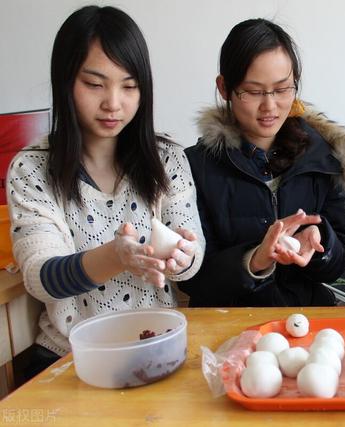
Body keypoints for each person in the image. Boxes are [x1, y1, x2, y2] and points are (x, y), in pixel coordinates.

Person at [6, 5, 204, 376]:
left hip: (156, 347)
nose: (113, 102)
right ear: (65, 81)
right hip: (69, 358)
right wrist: (116, 256)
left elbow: (192, 254)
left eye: (129, 86)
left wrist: (183, 257)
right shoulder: (32, 168)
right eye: (95, 84)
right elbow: (40, 276)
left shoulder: (168, 159)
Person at [180, 18, 345, 307]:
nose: (270, 106)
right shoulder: (195, 168)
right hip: (229, 325)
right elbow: (192, 278)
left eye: (282, 89)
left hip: (306, 321)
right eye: (254, 92)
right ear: (224, 88)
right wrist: (253, 261)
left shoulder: (323, 157)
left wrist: (320, 243)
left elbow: (339, 264)